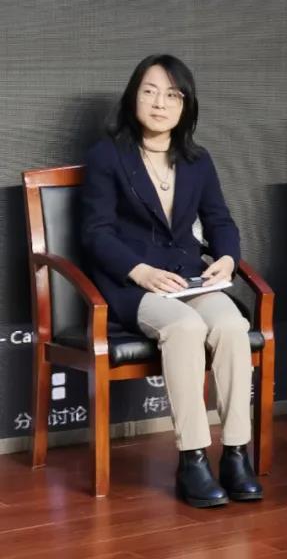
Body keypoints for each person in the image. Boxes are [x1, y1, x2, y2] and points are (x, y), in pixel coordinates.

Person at [81, 54, 262, 508]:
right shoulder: (107, 155)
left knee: (231, 325)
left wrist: (227, 258)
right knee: (184, 328)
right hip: (133, 284)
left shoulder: (197, 160)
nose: (160, 103)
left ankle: (236, 453)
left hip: (189, 279)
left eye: (172, 95)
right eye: (150, 92)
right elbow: (96, 233)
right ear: (133, 97)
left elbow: (220, 220)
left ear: (186, 105)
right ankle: (193, 459)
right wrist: (140, 271)